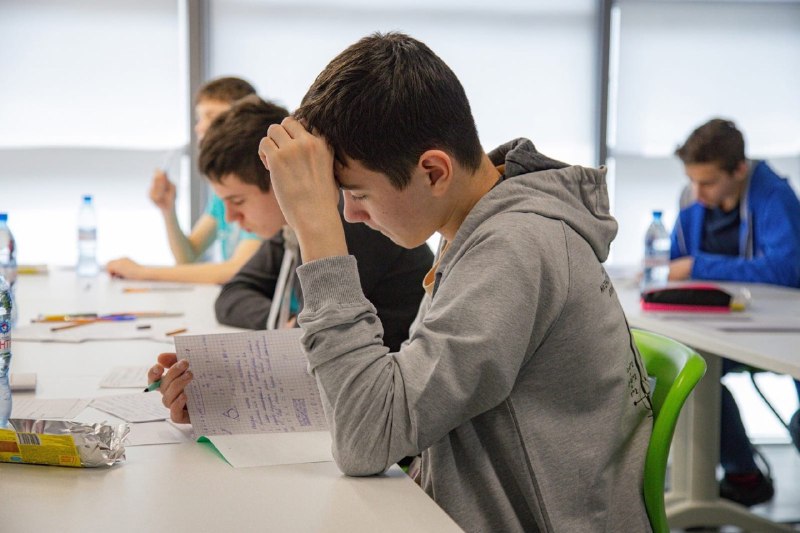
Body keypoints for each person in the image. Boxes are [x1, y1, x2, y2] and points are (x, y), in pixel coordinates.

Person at [153, 33, 652, 532]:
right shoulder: (478, 229)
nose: (351, 214)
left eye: (357, 193)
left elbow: (368, 438)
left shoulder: (515, 248)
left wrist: (318, 231)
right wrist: (231, 398)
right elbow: (401, 398)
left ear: (433, 171)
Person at [200, 95, 432, 350]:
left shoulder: (348, 222)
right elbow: (232, 295)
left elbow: (320, 341)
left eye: (238, 201)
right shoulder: (290, 230)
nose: (230, 217)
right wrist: (288, 323)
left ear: (278, 177)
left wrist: (296, 329)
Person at [669, 117, 800, 506]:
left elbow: (786, 271)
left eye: (708, 182)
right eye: (693, 181)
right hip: (715, 329)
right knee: (686, 371)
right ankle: (743, 476)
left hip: (779, 332)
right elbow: (675, 266)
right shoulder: (692, 200)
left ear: (739, 169)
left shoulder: (775, 197)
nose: (697, 192)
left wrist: (701, 266)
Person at [107, 76, 262, 284]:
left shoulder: (259, 186)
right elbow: (189, 257)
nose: (199, 128)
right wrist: (168, 209)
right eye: (199, 118)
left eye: (211, 117)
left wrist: (142, 272)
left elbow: (237, 270)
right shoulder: (223, 192)